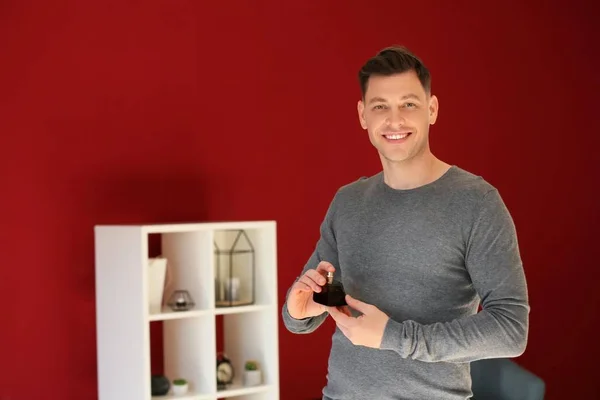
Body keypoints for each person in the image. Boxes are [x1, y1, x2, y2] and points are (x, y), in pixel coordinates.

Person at [281, 45, 530, 400]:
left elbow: (511, 329)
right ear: (363, 115)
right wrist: (298, 308)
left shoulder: (477, 203)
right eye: (380, 106)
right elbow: (305, 312)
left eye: (408, 104)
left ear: (431, 109)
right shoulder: (348, 201)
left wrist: (394, 337)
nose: (394, 121)